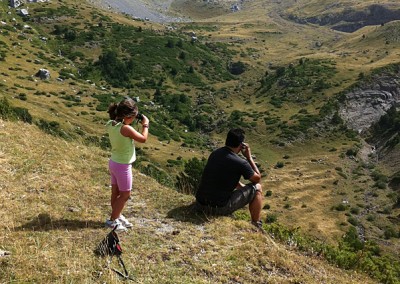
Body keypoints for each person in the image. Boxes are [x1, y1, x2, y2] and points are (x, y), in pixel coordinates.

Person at [195, 128, 264, 230]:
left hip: (199, 204)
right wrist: (249, 158)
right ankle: (256, 225)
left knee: (249, 188)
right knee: (257, 188)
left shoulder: (215, 153)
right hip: (218, 209)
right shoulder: (241, 162)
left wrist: (242, 188)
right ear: (241, 145)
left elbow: (225, 177)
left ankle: (255, 224)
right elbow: (257, 179)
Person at [105, 97, 149, 232]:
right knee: (125, 195)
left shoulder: (110, 123)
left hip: (114, 162)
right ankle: (112, 221)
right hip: (123, 166)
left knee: (115, 192)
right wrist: (145, 125)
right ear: (128, 116)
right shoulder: (126, 129)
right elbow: (143, 139)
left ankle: (116, 216)